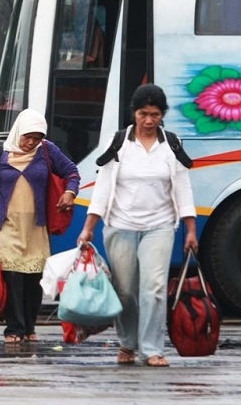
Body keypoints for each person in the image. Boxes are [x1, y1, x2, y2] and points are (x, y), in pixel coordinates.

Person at [77, 84, 197, 367]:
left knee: (154, 288)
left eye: (155, 114)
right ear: (134, 113)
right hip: (120, 225)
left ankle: (152, 348)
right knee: (126, 290)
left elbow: (183, 189)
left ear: (162, 114)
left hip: (160, 225)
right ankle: (128, 343)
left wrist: (191, 229)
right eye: (143, 114)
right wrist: (89, 226)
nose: (148, 120)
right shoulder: (118, 142)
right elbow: (103, 188)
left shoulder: (172, 144)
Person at [0, 108, 79, 344]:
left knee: (33, 279)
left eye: (36, 138)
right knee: (13, 277)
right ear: (18, 132)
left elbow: (71, 171)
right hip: (7, 225)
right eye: (27, 137)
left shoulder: (46, 150)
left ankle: (30, 326)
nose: (31, 142)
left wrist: (70, 192)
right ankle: (14, 328)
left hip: (36, 226)